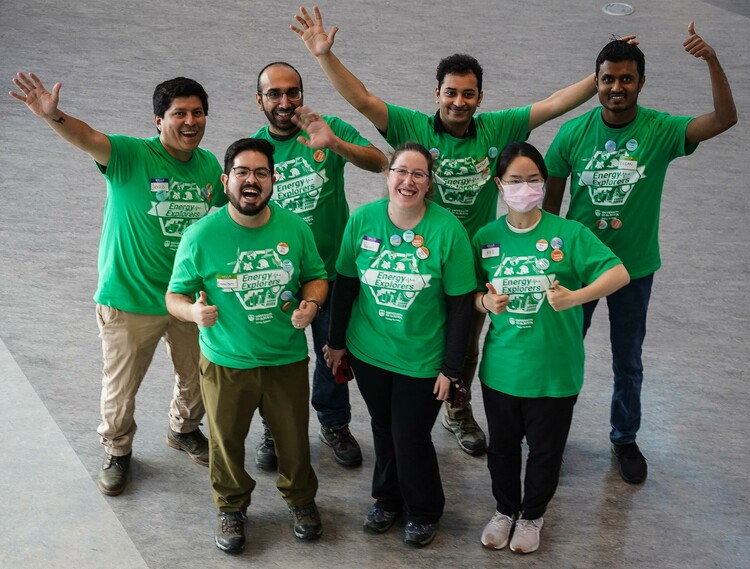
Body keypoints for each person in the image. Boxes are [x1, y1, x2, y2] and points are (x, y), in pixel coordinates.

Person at [291, 5, 627, 456]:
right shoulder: (411, 125)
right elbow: (363, 98)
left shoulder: (498, 127)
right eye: (451, 92)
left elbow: (552, 103)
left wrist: (600, 74)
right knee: (406, 326)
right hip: (416, 256)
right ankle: (395, 413)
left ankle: (457, 408)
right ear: (437, 93)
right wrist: (324, 56)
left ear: (480, 99)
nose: (459, 102)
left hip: (471, 261)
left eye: (469, 94)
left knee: (466, 341)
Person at [9, 72, 227, 496]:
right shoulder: (129, 155)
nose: (190, 121)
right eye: (178, 113)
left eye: (198, 112)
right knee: (121, 389)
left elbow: (220, 223)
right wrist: (54, 117)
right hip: (129, 300)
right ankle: (118, 450)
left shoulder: (207, 166)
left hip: (184, 299)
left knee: (198, 376)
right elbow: (88, 136)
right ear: (157, 121)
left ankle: (183, 430)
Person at [543, 25, 737, 484]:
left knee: (627, 360)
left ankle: (624, 438)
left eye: (626, 79)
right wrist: (551, 264)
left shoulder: (661, 131)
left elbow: (724, 118)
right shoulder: (572, 134)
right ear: (596, 81)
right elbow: (550, 208)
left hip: (634, 271)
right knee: (562, 353)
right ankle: (551, 432)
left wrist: (711, 59)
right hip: (580, 269)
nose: (616, 87)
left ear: (641, 83)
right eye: (608, 79)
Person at [166, 137, 328, 553]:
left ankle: (301, 501)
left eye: (260, 173)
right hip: (225, 362)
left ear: (273, 180)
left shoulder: (295, 228)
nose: (251, 181)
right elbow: (175, 296)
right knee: (225, 442)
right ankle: (231, 507)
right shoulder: (201, 235)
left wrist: (311, 302)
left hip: (285, 358)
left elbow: (316, 276)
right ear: (225, 180)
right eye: (241, 172)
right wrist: (192, 314)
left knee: (293, 440)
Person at [474, 142, 629, 554]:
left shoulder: (569, 234)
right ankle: (505, 509)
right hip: (502, 369)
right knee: (502, 449)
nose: (524, 188)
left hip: (555, 372)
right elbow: (470, 293)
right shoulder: (486, 237)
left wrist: (577, 297)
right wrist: (484, 303)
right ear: (499, 185)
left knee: (545, 452)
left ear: (544, 184)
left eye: (533, 180)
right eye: (514, 181)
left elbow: (620, 273)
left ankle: (532, 515)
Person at [323, 143, 476, 548]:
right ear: (388, 175)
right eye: (401, 171)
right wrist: (336, 343)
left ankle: (424, 509)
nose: (408, 181)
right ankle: (387, 499)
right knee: (383, 427)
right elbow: (346, 285)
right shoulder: (363, 220)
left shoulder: (447, 231)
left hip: (421, 358)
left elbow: (462, 306)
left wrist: (451, 368)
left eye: (419, 174)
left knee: (410, 434)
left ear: (429, 183)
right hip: (369, 351)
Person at [252, 61, 387, 470]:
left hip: (331, 274)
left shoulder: (324, 128)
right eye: (274, 94)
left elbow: (380, 161)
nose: (285, 101)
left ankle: (334, 424)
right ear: (259, 100)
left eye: (292, 91)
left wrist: (334, 145)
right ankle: (274, 429)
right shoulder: (256, 148)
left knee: (333, 354)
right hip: (279, 282)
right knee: (275, 360)